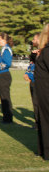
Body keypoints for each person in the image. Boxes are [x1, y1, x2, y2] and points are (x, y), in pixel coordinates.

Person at [0, 32, 14, 124]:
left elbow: (7, 63)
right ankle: (6, 117)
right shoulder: (3, 49)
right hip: (0, 75)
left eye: (0, 39)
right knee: (2, 96)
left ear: (4, 40)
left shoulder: (6, 49)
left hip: (4, 75)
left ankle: (8, 118)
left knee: (5, 97)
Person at [34, 23, 49, 160]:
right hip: (45, 91)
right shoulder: (46, 51)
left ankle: (44, 150)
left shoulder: (44, 51)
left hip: (43, 91)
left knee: (44, 120)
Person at [24, 33, 40, 128]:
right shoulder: (33, 53)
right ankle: (37, 122)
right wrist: (27, 73)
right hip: (33, 81)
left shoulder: (44, 51)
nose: (33, 41)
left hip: (41, 82)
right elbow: (31, 65)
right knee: (35, 103)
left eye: (34, 39)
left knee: (40, 103)